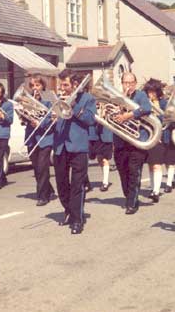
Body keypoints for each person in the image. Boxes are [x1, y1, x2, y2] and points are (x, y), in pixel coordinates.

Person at [53, 70, 96, 234]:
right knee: (61, 184)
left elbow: (91, 120)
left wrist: (73, 106)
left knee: (77, 185)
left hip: (78, 147)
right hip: (60, 146)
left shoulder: (87, 99)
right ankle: (69, 211)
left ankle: (77, 219)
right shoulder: (57, 99)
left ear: (75, 85)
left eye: (65, 85)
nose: (62, 88)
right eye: (61, 84)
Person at [113, 72, 152, 215]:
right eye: (125, 83)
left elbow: (147, 108)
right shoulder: (117, 96)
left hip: (136, 141)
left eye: (131, 83)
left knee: (134, 173)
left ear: (135, 83)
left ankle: (132, 203)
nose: (128, 86)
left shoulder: (140, 95)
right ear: (121, 83)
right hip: (120, 142)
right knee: (123, 172)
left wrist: (128, 115)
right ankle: (129, 196)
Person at [24, 75, 55, 206]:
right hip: (32, 136)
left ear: (43, 86)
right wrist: (24, 116)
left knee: (42, 167)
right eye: (32, 86)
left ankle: (43, 196)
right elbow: (24, 114)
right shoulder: (28, 99)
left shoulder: (49, 99)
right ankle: (49, 189)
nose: (35, 88)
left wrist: (40, 123)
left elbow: (53, 116)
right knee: (36, 167)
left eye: (37, 85)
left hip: (45, 137)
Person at [143, 78, 166, 203]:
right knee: (151, 165)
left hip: (159, 137)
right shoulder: (145, 102)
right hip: (148, 136)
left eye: (153, 92)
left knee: (157, 165)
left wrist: (158, 111)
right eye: (149, 92)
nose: (151, 94)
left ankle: (156, 191)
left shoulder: (162, 103)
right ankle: (153, 189)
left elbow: (167, 119)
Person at [88, 123, 113, 192]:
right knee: (85, 158)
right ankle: (86, 183)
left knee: (104, 159)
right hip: (92, 133)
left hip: (105, 134)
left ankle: (105, 182)